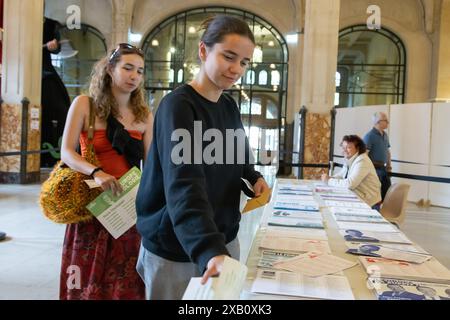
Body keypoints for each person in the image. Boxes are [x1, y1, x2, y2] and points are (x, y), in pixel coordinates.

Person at [135, 15, 270, 300]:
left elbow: (238, 155)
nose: (236, 69)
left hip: (221, 241)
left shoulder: (228, 105)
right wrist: (209, 250)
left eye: (244, 62)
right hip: (178, 248)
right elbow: (184, 185)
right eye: (228, 57)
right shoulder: (178, 107)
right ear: (203, 51)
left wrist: (254, 176)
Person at [59, 43, 153, 299]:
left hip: (127, 209)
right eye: (128, 68)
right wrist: (96, 172)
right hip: (92, 205)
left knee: (125, 277)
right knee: (86, 276)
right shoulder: (84, 105)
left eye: (140, 71)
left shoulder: (144, 115)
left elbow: (151, 165)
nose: (134, 76)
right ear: (111, 69)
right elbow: (66, 152)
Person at [41, 17, 72, 168]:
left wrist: (53, 47)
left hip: (45, 72)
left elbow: (58, 47)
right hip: (24, 71)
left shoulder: (51, 25)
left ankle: (54, 154)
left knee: (61, 108)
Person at [321, 135, 381, 208]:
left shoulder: (362, 161)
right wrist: (331, 177)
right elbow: (341, 175)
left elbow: (350, 184)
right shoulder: (350, 159)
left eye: (348, 147)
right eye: (343, 147)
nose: (344, 150)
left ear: (358, 148)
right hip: (358, 198)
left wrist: (329, 180)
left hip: (370, 204)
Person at [363, 112, 392, 201]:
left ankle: (384, 212)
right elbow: (364, 154)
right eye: (385, 120)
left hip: (383, 168)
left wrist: (389, 165)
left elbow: (387, 151)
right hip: (374, 169)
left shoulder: (385, 135)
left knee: (386, 191)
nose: (388, 122)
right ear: (378, 122)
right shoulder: (369, 136)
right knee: (376, 194)